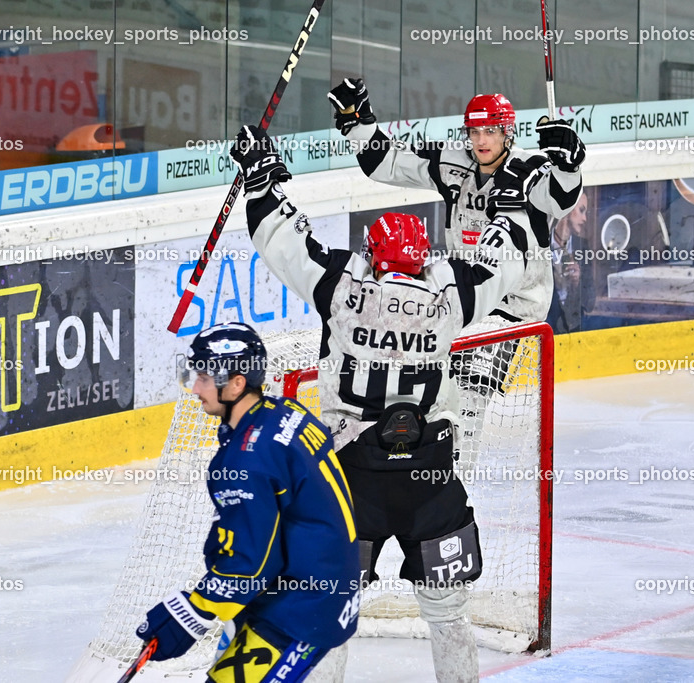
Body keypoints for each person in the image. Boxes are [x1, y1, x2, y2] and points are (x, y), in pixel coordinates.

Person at [229, 125, 538, 682]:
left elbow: (286, 243)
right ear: (421, 259)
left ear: (374, 256)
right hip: (430, 480)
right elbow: (506, 258)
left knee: (328, 609)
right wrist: (516, 204)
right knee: (448, 616)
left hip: (351, 482)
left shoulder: (343, 290)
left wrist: (261, 176)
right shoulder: (449, 299)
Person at [327, 78, 585, 458]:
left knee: (468, 387)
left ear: (507, 132)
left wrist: (568, 162)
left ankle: (452, 481)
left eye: (492, 130)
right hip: (465, 294)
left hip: (512, 306)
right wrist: (357, 120)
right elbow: (385, 162)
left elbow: (561, 197)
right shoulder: (453, 163)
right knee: (427, 380)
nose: (482, 140)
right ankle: (414, 466)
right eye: (475, 130)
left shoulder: (529, 169)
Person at [134, 322, 361, 682]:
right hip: (309, 588)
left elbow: (252, 562)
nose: (195, 387)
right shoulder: (285, 413)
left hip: (303, 606)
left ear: (237, 383)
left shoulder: (247, 461)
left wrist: (193, 611)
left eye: (205, 377)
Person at [548, 191, 591, 333]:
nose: (585, 218)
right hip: (547, 332)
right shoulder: (540, 244)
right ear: (566, 209)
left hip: (574, 333)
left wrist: (578, 283)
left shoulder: (583, 247)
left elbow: (591, 301)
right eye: (581, 210)